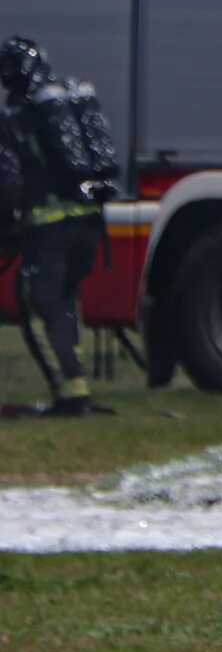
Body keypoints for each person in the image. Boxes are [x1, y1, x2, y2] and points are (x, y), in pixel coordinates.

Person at [2, 36, 118, 418]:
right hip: (87, 224)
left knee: (39, 305)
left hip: (48, 226)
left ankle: (69, 394)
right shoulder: (67, 100)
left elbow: (11, 180)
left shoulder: (18, 117)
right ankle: (77, 390)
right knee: (66, 304)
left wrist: (8, 225)